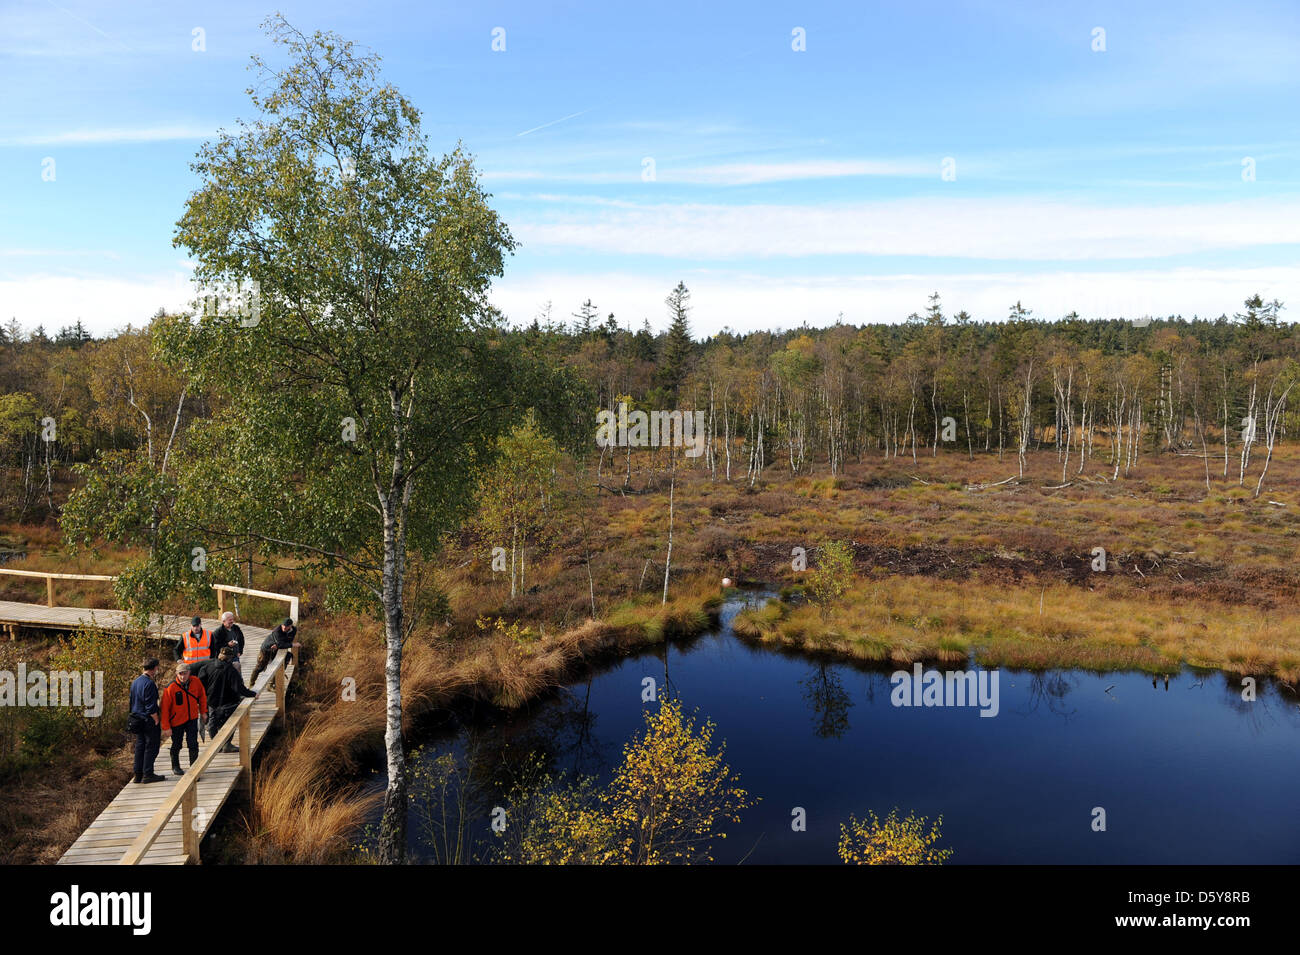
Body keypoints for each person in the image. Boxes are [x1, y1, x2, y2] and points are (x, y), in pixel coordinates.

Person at [160, 663, 208, 776]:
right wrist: (166, 727)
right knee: (177, 744)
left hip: (192, 718)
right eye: (180, 674)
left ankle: (194, 768)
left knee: (193, 744)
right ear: (176, 674)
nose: (183, 676)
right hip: (176, 721)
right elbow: (165, 709)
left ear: (189, 673)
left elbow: (202, 696)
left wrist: (203, 711)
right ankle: (175, 766)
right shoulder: (170, 688)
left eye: (185, 673)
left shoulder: (196, 681)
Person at [207, 647, 256, 753]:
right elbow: (239, 687)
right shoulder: (231, 670)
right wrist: (252, 694)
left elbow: (201, 678)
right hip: (227, 702)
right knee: (229, 724)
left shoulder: (209, 665)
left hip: (211, 700)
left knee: (212, 723)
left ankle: (215, 744)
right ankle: (227, 745)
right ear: (230, 658)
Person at [128, 658, 166, 784]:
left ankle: (138, 774)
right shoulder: (149, 684)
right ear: (154, 668)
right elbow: (150, 705)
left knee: (140, 746)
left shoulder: (135, 682)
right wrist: (156, 719)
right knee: (152, 746)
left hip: (136, 718)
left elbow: (132, 700)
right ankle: (148, 773)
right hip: (148, 720)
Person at [250, 617, 299, 685]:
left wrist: (280, 645)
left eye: (287, 626)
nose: (284, 627)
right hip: (266, 649)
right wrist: (292, 645)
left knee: (279, 664)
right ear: (282, 624)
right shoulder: (277, 631)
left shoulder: (293, 630)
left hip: (276, 650)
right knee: (260, 667)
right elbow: (281, 644)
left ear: (290, 626)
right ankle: (251, 683)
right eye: (283, 625)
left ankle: (271, 684)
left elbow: (286, 641)